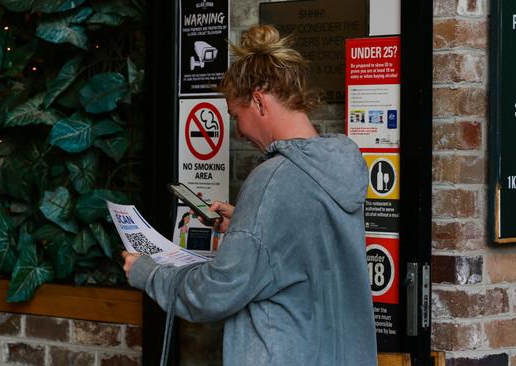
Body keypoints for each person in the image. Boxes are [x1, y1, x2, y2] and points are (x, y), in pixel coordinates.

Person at [122, 24, 377, 366]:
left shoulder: (272, 181)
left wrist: (149, 273)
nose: (239, 132)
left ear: (258, 101)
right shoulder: (338, 165)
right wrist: (246, 219)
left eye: (235, 116)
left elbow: (215, 292)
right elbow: (301, 250)